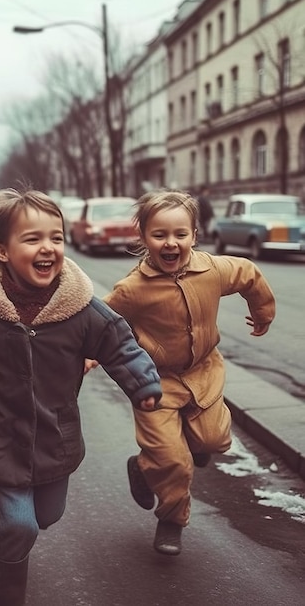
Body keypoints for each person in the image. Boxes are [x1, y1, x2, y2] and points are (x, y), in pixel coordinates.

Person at [0, 188, 162, 606]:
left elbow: (119, 343)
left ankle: (19, 538)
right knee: (19, 524)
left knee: (46, 516)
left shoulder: (80, 307)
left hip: (55, 434)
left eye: (56, 238)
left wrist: (143, 384)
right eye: (33, 239)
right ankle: (8, 591)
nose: (48, 248)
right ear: (2, 251)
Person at [103, 189, 275, 556]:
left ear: (195, 235)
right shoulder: (132, 289)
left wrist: (263, 314)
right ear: (144, 237)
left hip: (203, 373)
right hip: (154, 382)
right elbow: (102, 324)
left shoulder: (212, 270)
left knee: (214, 442)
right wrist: (85, 357)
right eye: (159, 234)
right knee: (174, 462)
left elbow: (249, 273)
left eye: (180, 234)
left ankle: (145, 465)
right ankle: (171, 520)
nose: (171, 243)